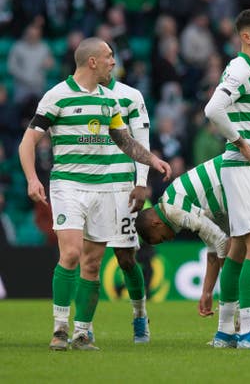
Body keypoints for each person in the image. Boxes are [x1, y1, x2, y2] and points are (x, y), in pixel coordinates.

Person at [18, 37, 172, 351]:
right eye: (109, 57)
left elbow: (123, 139)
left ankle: (82, 332)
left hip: (105, 190)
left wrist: (151, 160)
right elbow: (27, 142)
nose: (113, 62)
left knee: (92, 263)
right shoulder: (57, 96)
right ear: (92, 62)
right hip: (69, 186)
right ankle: (60, 328)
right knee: (71, 253)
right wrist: (32, 179)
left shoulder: (110, 100)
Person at [134, 151, 250, 321]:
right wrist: (207, 292)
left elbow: (221, 242)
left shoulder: (175, 210)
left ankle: (242, 324)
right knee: (246, 245)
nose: (170, 239)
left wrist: (227, 292)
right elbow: (214, 248)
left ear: (155, 223)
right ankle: (236, 324)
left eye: (162, 238)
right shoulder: (178, 201)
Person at [202, 8, 250, 350]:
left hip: (247, 168)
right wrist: (241, 143)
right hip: (244, 167)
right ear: (246, 37)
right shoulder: (241, 68)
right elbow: (212, 109)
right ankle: (246, 331)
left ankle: (225, 332)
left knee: (239, 248)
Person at [101, 76, 152, 343]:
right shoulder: (72, 93)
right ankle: (82, 328)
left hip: (122, 185)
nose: (111, 62)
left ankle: (140, 316)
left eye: (113, 57)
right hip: (87, 184)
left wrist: (141, 182)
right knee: (87, 256)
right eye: (107, 57)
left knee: (125, 257)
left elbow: (141, 139)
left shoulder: (131, 95)